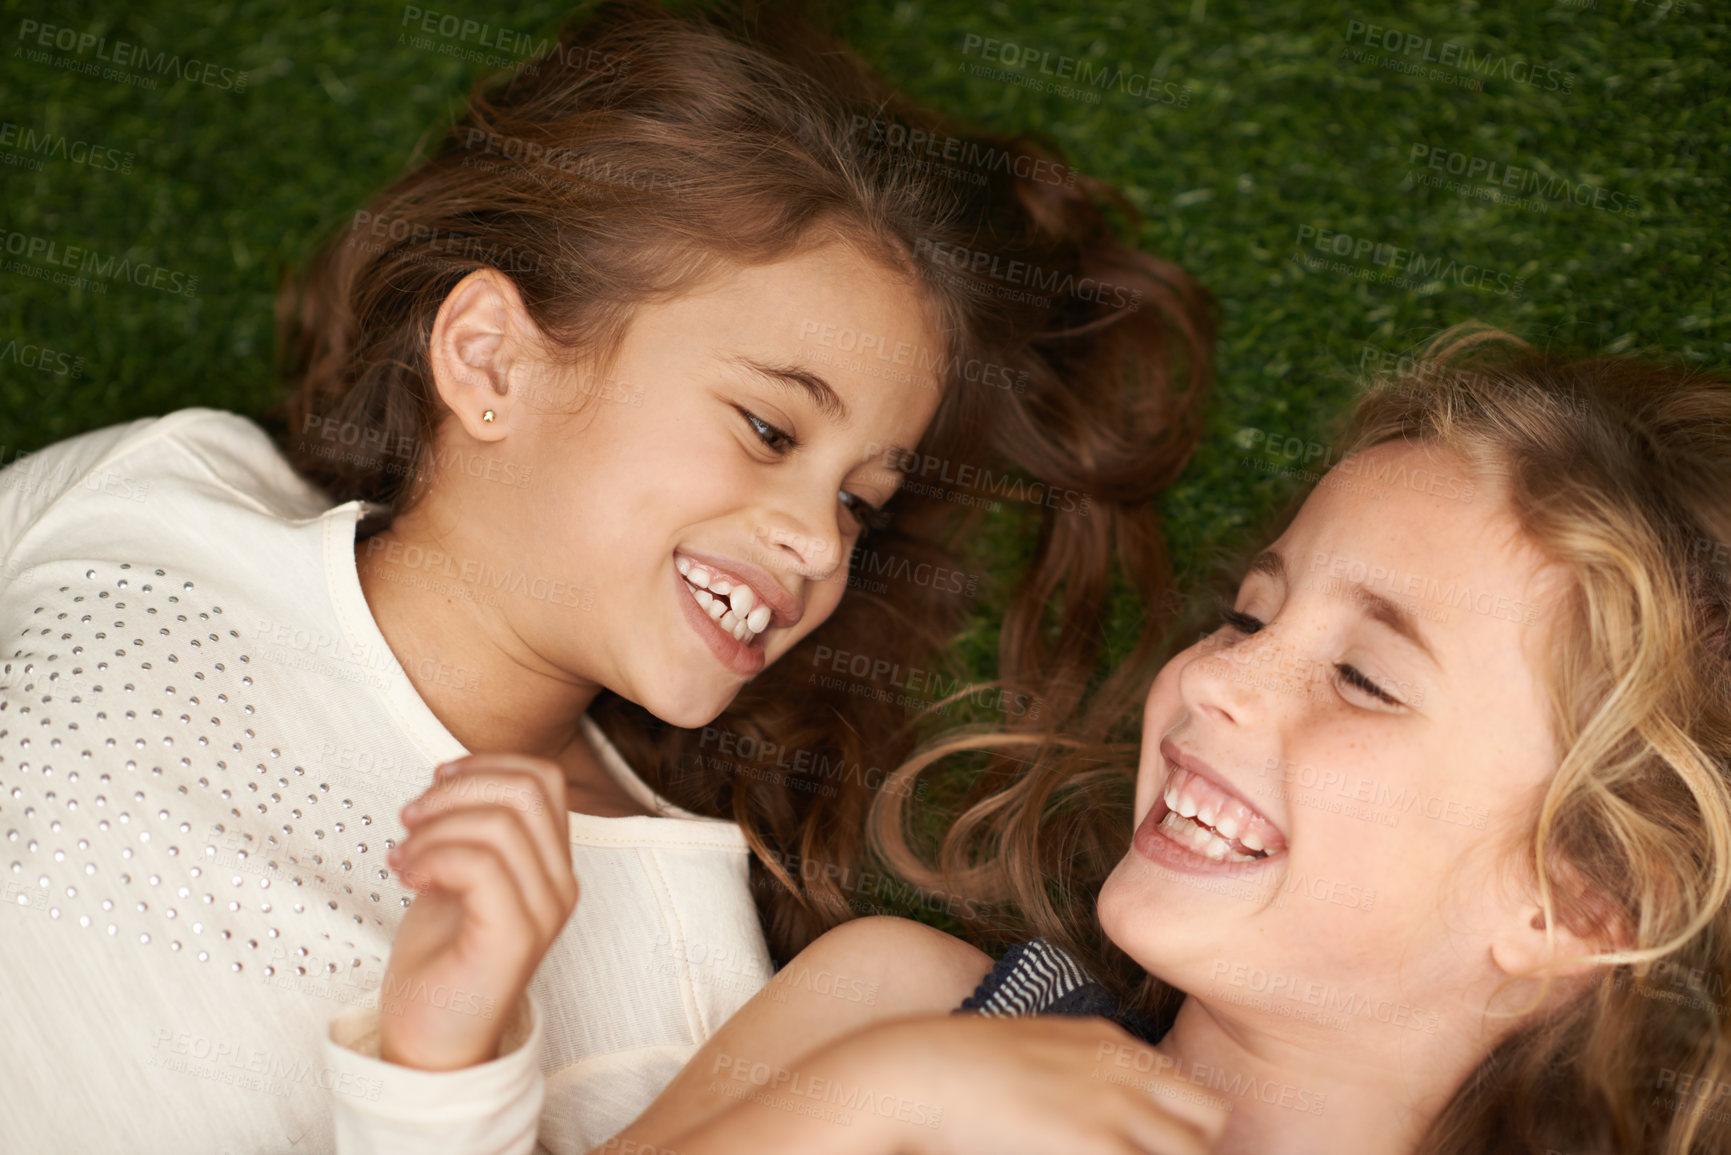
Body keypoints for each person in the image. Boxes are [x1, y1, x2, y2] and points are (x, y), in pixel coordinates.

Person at [0, 1, 1213, 1151]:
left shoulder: (674, 956)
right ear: (490, 362)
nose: (822, 542)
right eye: (771, 430)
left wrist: (442, 1070)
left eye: (861, 502)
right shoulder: (165, 492)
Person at [377, 328, 1731, 1153]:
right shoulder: (899, 1005)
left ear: (1573, 897)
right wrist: (873, 1096)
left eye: (1363, 677)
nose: (1217, 679)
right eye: (1246, 611)